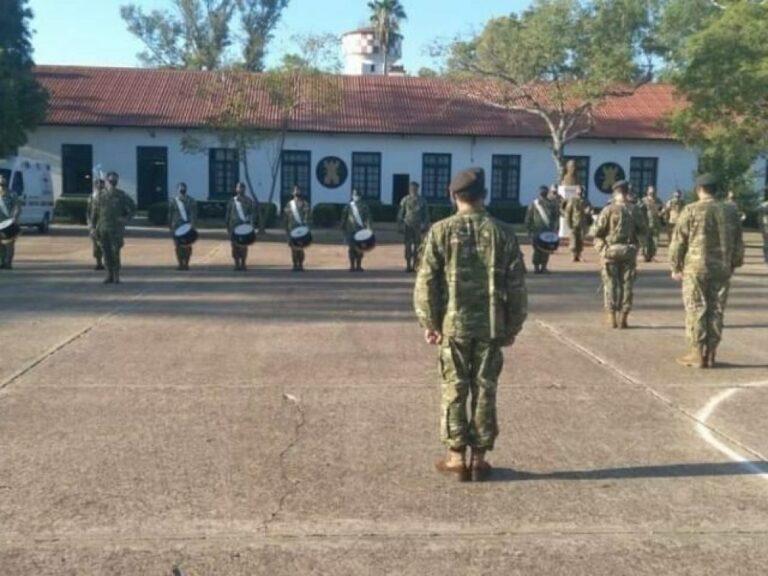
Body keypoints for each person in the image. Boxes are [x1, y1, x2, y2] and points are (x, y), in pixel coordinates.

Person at [414, 167, 527, 482]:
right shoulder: (503, 232)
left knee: (454, 389)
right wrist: (513, 326)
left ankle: (455, 457)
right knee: (485, 390)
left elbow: (427, 282)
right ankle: (478, 458)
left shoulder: (440, 231)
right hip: (491, 327)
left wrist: (430, 321)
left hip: (454, 327)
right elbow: (517, 285)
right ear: (484, 196)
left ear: (453, 196)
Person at [670, 174, 744, 368]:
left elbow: (678, 241)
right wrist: (733, 264)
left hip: (696, 267)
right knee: (716, 309)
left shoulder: (690, 210)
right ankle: (711, 353)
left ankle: (696, 352)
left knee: (696, 308)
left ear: (699, 189)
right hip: (721, 267)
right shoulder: (730, 211)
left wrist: (675, 266)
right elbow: (738, 241)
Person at [593, 180, 648, 329]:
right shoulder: (634, 209)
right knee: (627, 285)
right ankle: (624, 318)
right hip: (628, 252)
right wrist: (639, 248)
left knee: (610, 284)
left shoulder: (608, 210)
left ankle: (612, 317)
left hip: (610, 252)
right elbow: (643, 230)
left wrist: (602, 249)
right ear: (627, 192)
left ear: (615, 192)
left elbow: (596, 232)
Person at [90, 171, 136, 284]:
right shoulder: (100, 196)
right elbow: (94, 213)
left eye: (114, 180)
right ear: (106, 181)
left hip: (116, 229)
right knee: (105, 252)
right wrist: (92, 227)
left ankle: (116, 275)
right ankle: (108, 274)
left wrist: (125, 219)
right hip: (103, 227)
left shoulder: (121, 195)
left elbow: (133, 208)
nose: (112, 182)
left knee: (115, 251)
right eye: (110, 180)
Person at [525, 185, 559, 273]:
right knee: (537, 249)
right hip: (537, 230)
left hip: (548, 230)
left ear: (547, 192)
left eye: (544, 192)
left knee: (546, 249)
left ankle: (543, 267)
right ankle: (536, 267)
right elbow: (529, 217)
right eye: (542, 192)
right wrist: (529, 230)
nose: (543, 193)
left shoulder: (552, 204)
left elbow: (555, 217)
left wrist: (555, 229)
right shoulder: (534, 204)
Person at [397, 181, 430, 272]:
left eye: (415, 188)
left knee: (418, 246)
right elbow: (401, 213)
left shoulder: (422, 200)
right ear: (409, 189)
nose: (413, 190)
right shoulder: (405, 200)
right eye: (412, 188)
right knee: (407, 246)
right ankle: (408, 265)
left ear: (417, 189)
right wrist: (399, 225)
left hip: (418, 226)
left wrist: (425, 225)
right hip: (408, 225)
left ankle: (415, 265)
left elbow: (426, 214)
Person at [225, 182, 257, 272]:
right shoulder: (232, 201)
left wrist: (251, 224)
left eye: (242, 188)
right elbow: (228, 214)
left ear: (244, 189)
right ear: (236, 189)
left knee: (243, 246)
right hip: (233, 227)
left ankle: (243, 263)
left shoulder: (248, 201)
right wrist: (227, 226)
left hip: (244, 227)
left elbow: (252, 213)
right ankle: (236, 264)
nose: (240, 189)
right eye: (239, 188)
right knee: (234, 246)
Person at [340, 189, 373, 272]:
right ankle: (352, 266)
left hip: (360, 230)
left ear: (360, 196)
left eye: (357, 194)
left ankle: (359, 265)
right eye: (354, 194)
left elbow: (368, 218)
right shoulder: (348, 206)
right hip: (350, 230)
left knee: (360, 248)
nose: (355, 196)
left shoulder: (364, 206)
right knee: (351, 248)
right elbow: (344, 217)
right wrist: (342, 226)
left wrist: (369, 228)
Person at [168, 182, 197, 270]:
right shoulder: (173, 201)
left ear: (186, 189)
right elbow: (170, 214)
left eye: (183, 188)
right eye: (180, 188)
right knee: (178, 246)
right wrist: (170, 226)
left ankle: (186, 263)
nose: (182, 189)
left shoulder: (191, 201)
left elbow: (193, 214)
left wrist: (192, 225)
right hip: (176, 226)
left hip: (187, 226)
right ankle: (180, 264)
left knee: (187, 246)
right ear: (177, 189)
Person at [283, 185, 311, 272]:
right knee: (293, 249)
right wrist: (286, 229)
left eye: (298, 190)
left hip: (301, 229)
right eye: (295, 190)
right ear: (292, 193)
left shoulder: (305, 204)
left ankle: (301, 265)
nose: (297, 192)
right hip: (292, 229)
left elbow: (308, 216)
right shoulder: (289, 204)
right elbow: (286, 217)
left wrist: (306, 226)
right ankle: (295, 265)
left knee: (301, 249)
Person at [563, 185, 591, 262]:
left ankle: (579, 255)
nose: (580, 192)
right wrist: (569, 223)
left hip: (583, 223)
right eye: (579, 190)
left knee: (581, 240)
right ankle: (573, 255)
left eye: (581, 190)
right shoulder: (572, 200)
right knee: (573, 240)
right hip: (574, 223)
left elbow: (590, 210)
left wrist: (589, 212)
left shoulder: (586, 201)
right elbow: (568, 212)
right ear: (576, 191)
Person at [0, 174, 23, 269]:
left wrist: (15, 218)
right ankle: (2, 262)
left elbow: (18, 206)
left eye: (3, 184)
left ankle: (8, 263)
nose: (1, 186)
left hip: (8, 223)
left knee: (9, 244)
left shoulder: (12, 194)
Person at [639, 186, 663, 262]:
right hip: (646, 223)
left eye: (653, 191)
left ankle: (652, 256)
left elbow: (662, 209)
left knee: (655, 241)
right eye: (650, 191)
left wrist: (661, 213)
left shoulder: (658, 200)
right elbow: (639, 210)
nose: (652, 192)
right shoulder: (643, 200)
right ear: (647, 191)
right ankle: (645, 256)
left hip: (656, 224)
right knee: (645, 241)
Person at [87, 179, 105, 270]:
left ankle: (109, 263)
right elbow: (88, 212)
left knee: (106, 245)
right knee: (96, 245)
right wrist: (90, 225)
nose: (99, 186)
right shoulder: (92, 197)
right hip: (95, 224)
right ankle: (99, 262)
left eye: (101, 184)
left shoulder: (107, 197)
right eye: (97, 184)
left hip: (105, 224)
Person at [759, 189, 768, 265]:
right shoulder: (764, 205)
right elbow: (762, 218)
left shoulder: (763, 205)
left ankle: (766, 257)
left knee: (766, 242)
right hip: (766, 226)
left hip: (765, 226)